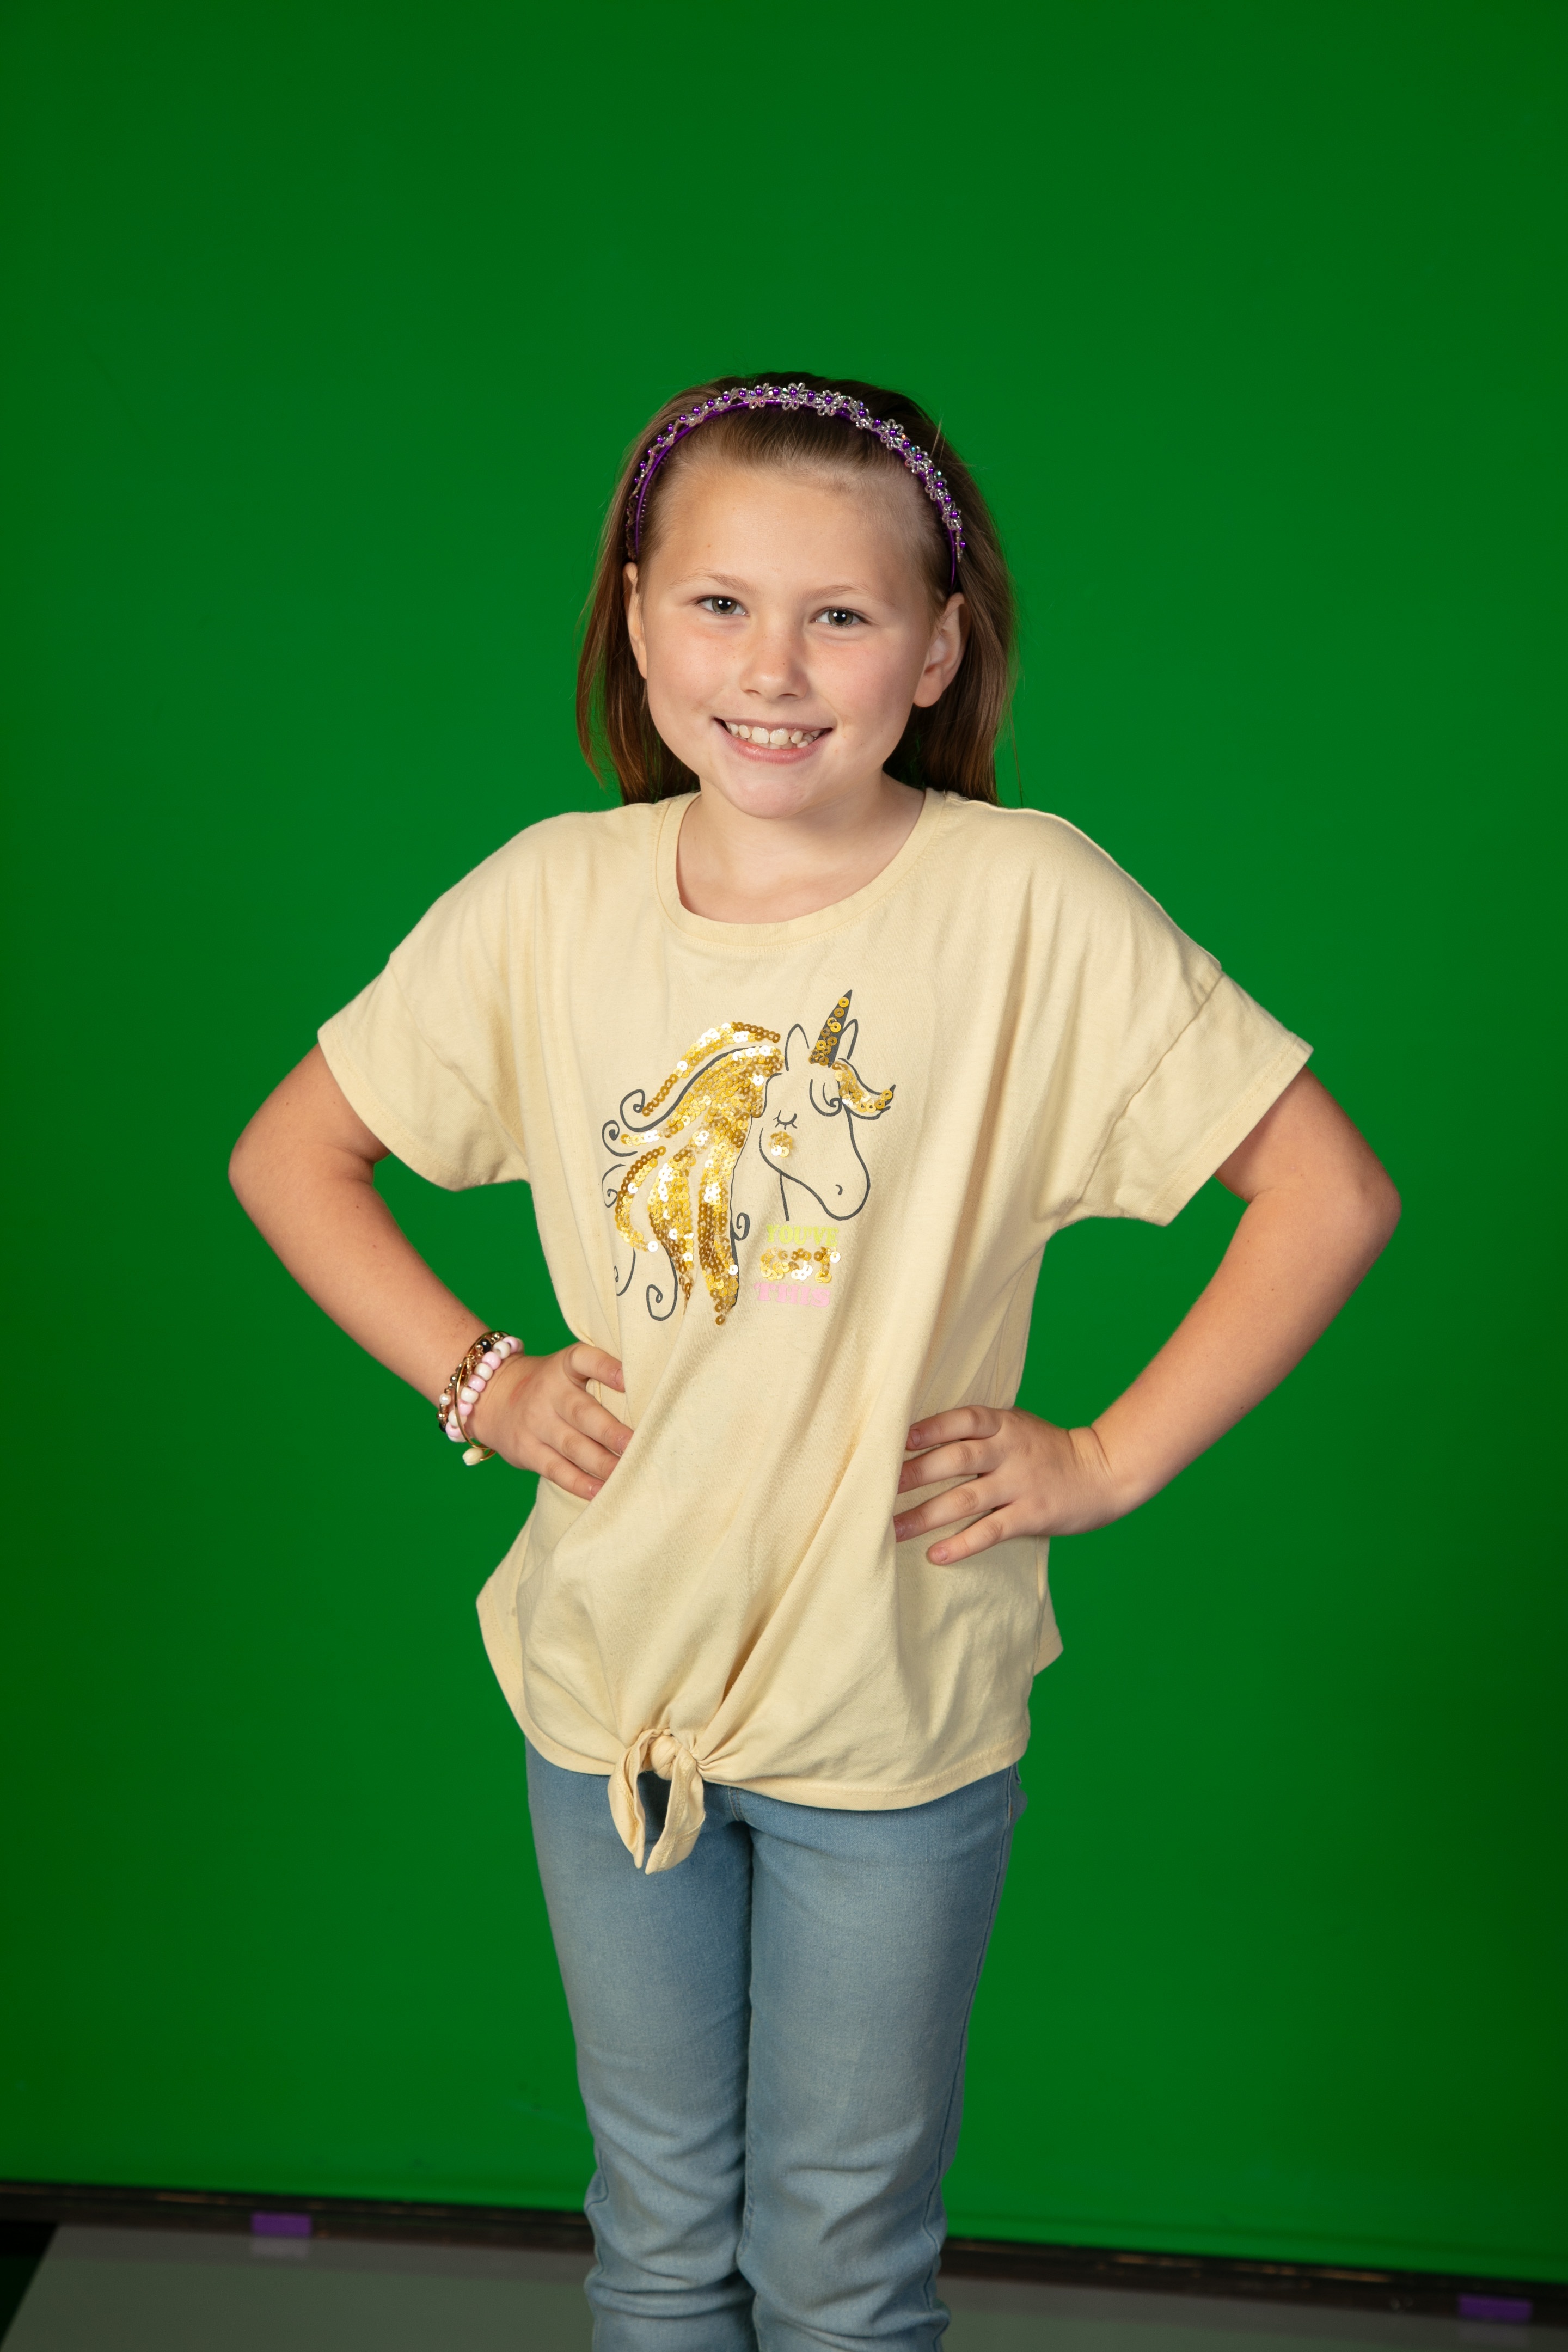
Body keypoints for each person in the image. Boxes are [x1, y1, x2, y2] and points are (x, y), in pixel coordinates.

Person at [230, 374, 1400, 2350]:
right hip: (611, 1699)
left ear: (935, 649)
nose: (772, 669)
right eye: (719, 604)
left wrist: (1108, 1457)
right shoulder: (549, 899)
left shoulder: (1025, 901)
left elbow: (1328, 1193)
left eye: (839, 615)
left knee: (844, 2265)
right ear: (635, 617)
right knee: (657, 2243)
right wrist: (483, 1377)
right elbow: (292, 1154)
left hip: (892, 1705)